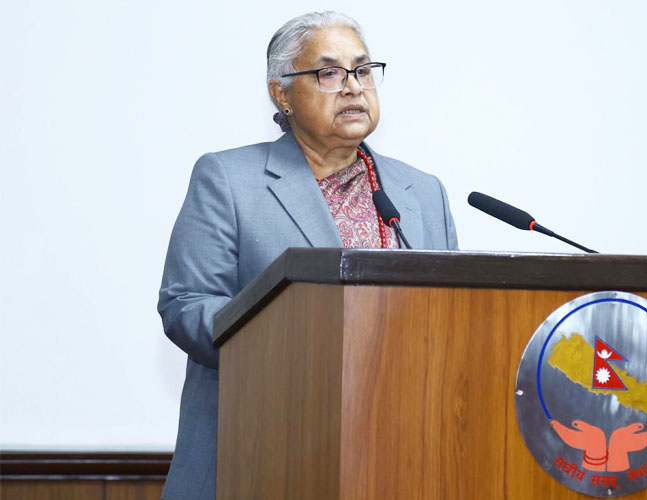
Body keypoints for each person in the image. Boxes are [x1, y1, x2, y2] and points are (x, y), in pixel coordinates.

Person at [157, 11, 458, 500]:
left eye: (363, 70)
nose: (353, 87)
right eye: (329, 73)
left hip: (394, 458)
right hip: (258, 453)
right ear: (282, 95)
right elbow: (187, 306)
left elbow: (454, 317)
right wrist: (301, 346)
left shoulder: (421, 192)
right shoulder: (230, 180)